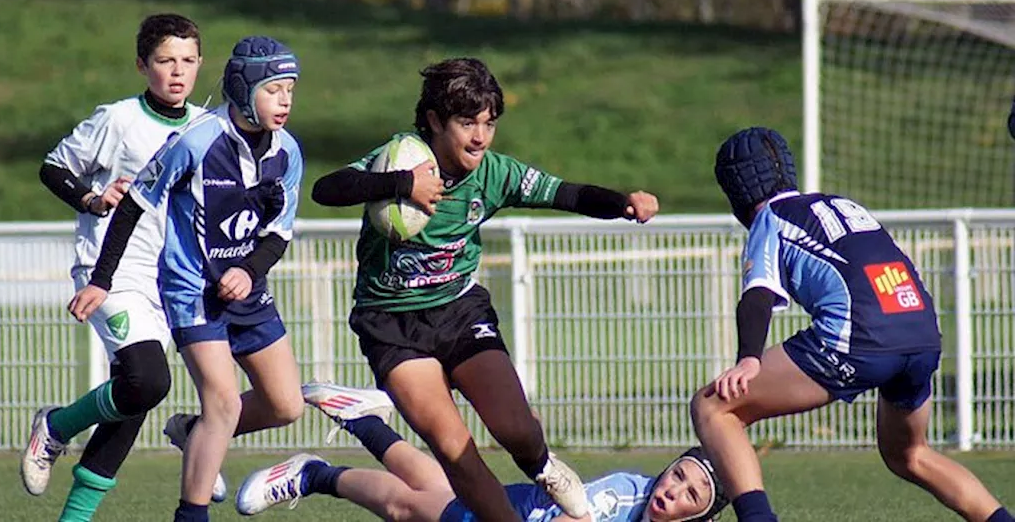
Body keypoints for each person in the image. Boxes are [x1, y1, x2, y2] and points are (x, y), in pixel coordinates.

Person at [311, 58, 660, 522]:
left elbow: (566, 194)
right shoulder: (399, 159)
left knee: (517, 430)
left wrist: (624, 204)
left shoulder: (494, 173)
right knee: (455, 451)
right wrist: (403, 185)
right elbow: (326, 188)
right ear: (435, 121)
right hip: (391, 325)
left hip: (458, 311)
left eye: (488, 123)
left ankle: (545, 466)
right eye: (466, 123)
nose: (479, 136)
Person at [690, 127, 1014, 522]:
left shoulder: (771, 218)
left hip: (860, 337)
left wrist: (748, 360)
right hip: (921, 332)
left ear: (735, 193)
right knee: (910, 454)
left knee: (714, 407)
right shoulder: (841, 204)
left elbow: (757, 294)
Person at [78, 35, 306, 522]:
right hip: (191, 291)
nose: (285, 100)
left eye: (290, 89)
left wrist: (248, 270)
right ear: (243, 89)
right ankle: (191, 514)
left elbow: (277, 234)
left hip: (247, 292)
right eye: (273, 89)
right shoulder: (195, 141)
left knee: (287, 405)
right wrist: (102, 279)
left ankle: (193, 431)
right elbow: (133, 207)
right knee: (223, 402)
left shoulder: (288, 151)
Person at [21, 14, 208, 519]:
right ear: (142, 65)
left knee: (132, 398)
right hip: (113, 273)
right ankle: (57, 427)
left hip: (172, 281)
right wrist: (91, 198)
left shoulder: (206, 128)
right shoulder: (119, 120)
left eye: (188, 61)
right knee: (147, 381)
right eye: (165, 60)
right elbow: (53, 167)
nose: (177, 72)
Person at [237, 381, 728, 522]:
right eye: (679, 474)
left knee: (434, 486)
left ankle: (362, 418)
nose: (674, 489)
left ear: (703, 515)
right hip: (513, 514)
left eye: (693, 493)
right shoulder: (626, 495)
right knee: (405, 508)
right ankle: (314, 474)